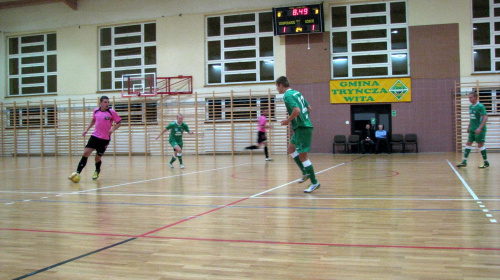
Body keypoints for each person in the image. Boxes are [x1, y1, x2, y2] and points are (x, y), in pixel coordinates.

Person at [276, 76, 320, 193]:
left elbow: (297, 111)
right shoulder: (296, 93)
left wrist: (287, 120)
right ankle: (305, 172)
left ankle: (315, 182)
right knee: (291, 149)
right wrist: (304, 119)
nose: (277, 89)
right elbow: (309, 108)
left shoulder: (287, 95)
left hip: (303, 128)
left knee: (303, 156)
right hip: (301, 127)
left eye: (277, 86)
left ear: (280, 85)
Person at [68, 96, 122, 182]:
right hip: (94, 136)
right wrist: (87, 129)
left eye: (108, 102)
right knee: (85, 153)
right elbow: (93, 121)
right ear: (100, 103)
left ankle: (97, 170)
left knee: (97, 158)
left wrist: (112, 129)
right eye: (105, 102)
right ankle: (77, 173)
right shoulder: (96, 110)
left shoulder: (111, 112)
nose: (107, 104)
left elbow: (119, 123)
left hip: (104, 139)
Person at [457, 91, 489, 168]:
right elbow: (471, 118)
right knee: (468, 143)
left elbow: (485, 117)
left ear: (475, 97)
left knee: (480, 145)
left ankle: (486, 162)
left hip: (479, 130)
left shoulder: (480, 106)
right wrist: (469, 126)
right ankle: (464, 161)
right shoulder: (471, 107)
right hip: (472, 129)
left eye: (471, 97)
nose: (469, 99)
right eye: (469, 97)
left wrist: (480, 128)